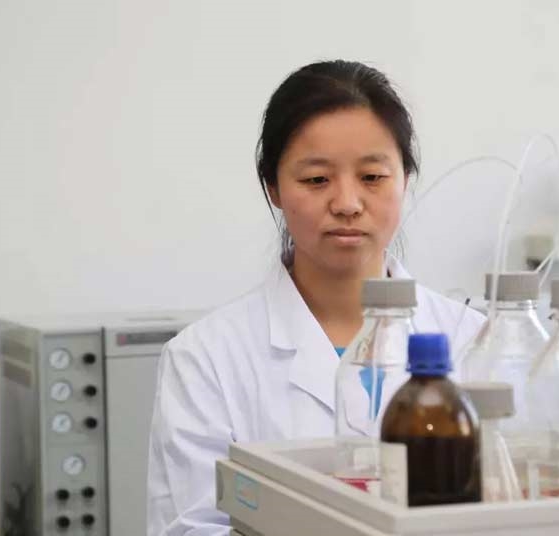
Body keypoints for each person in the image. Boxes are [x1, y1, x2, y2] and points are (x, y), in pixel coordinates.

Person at [147, 59, 485, 535]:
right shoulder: (206, 359)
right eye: (316, 179)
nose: (347, 203)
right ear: (274, 188)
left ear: (405, 180)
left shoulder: (473, 340)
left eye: (372, 176)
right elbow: (193, 527)